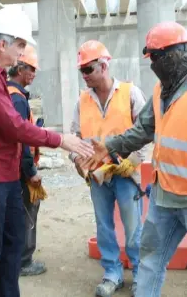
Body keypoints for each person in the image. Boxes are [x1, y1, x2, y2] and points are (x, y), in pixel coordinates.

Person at [83, 22, 187, 297]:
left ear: (177, 54)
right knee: (150, 260)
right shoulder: (159, 91)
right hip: (163, 198)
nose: (153, 64)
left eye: (156, 57)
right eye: (151, 58)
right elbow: (143, 130)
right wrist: (110, 146)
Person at [0, 5, 94, 297]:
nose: (21, 54)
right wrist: (59, 139)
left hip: (2, 179)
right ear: (2, 43)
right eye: (19, 46)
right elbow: (13, 126)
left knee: (12, 245)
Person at [68, 40, 147, 297]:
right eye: (82, 71)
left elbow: (148, 132)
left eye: (88, 69)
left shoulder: (131, 93)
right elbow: (75, 136)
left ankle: (140, 275)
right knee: (104, 226)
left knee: (134, 228)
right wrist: (77, 159)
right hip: (98, 177)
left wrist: (133, 161)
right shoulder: (82, 101)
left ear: (104, 65)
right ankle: (112, 273)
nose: (84, 76)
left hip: (126, 175)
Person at [6, 45, 46, 276]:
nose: (34, 73)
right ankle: (23, 261)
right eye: (31, 69)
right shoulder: (18, 99)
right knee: (28, 210)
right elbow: (19, 140)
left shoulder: (7, 93)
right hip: (21, 169)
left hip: (13, 166)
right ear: (20, 68)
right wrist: (30, 171)